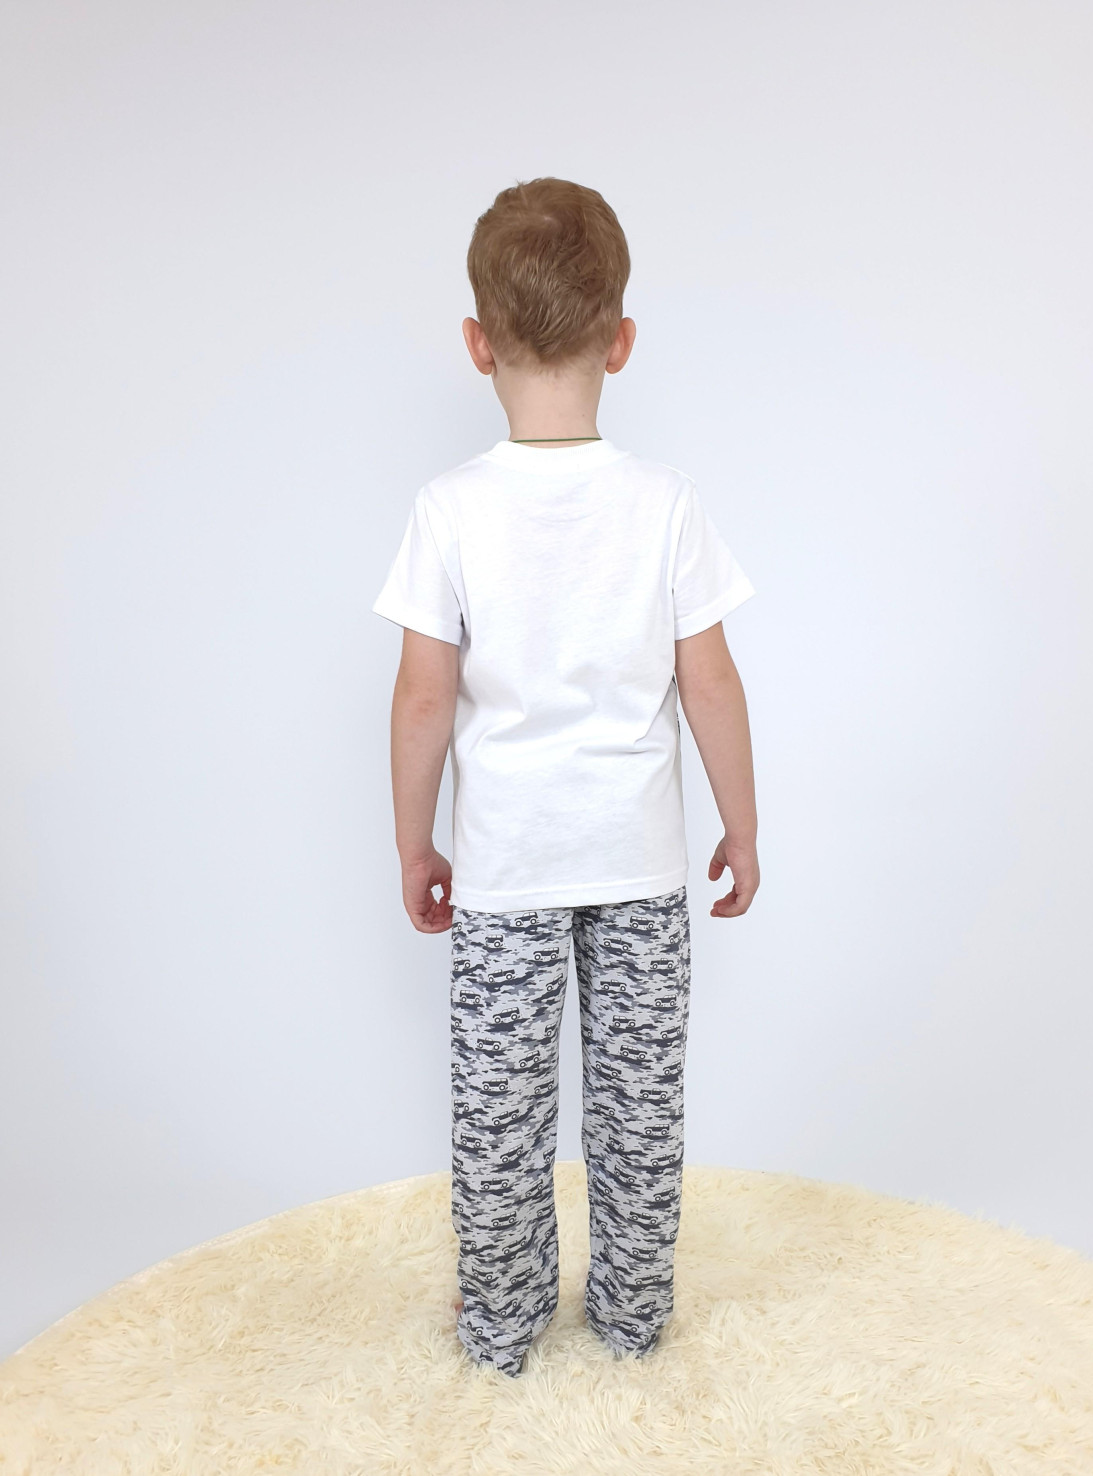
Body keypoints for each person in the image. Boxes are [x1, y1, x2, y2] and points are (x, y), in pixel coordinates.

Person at [372, 177, 760, 1378]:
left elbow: (422, 698)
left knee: (500, 1115)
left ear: (476, 343)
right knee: (638, 1108)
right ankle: (633, 1319)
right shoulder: (663, 504)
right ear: (620, 340)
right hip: (639, 865)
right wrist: (742, 828)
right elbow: (710, 684)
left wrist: (413, 844)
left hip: (505, 869)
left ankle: (499, 1325)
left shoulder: (449, 510)